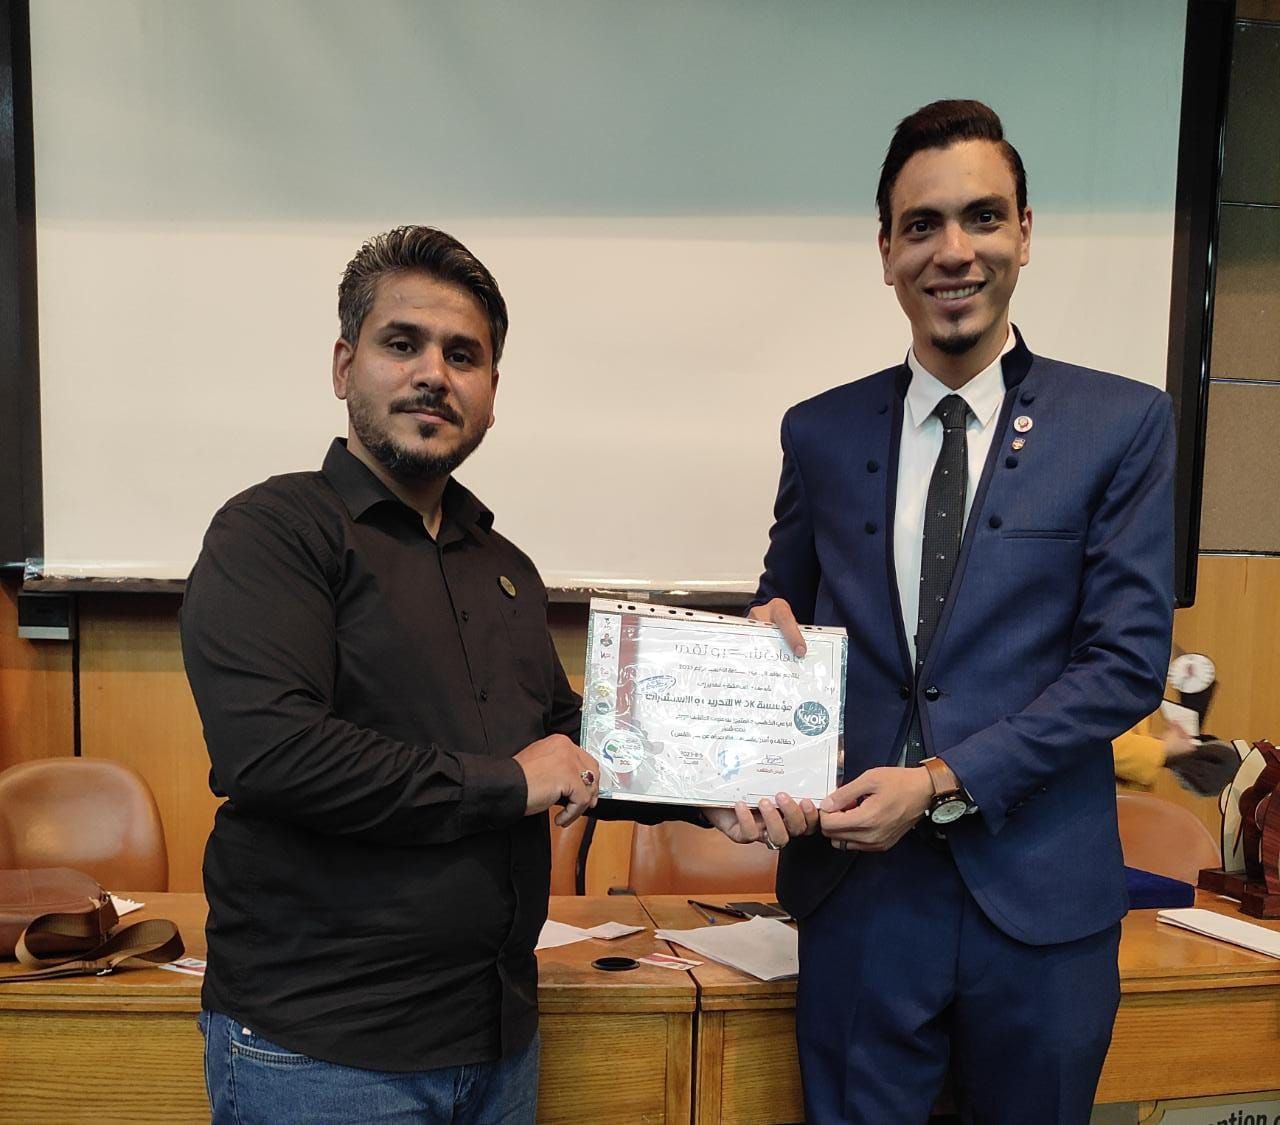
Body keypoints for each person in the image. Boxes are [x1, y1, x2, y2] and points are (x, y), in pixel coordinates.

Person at [181, 225, 808, 1124]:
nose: (434, 373)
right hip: (325, 1049)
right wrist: (510, 782)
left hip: (496, 1041)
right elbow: (273, 754)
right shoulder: (274, 531)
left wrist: (717, 771)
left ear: (492, 394)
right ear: (344, 366)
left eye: (463, 355)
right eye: (403, 344)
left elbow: (574, 740)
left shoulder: (504, 567)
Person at [746, 101, 1174, 1123]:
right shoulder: (818, 431)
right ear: (886, 251)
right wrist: (756, 689)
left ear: (1023, 232)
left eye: (981, 217)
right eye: (921, 225)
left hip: (1039, 905)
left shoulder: (1121, 424)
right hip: (859, 899)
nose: (953, 251)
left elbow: (1122, 665)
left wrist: (942, 781)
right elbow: (782, 607)